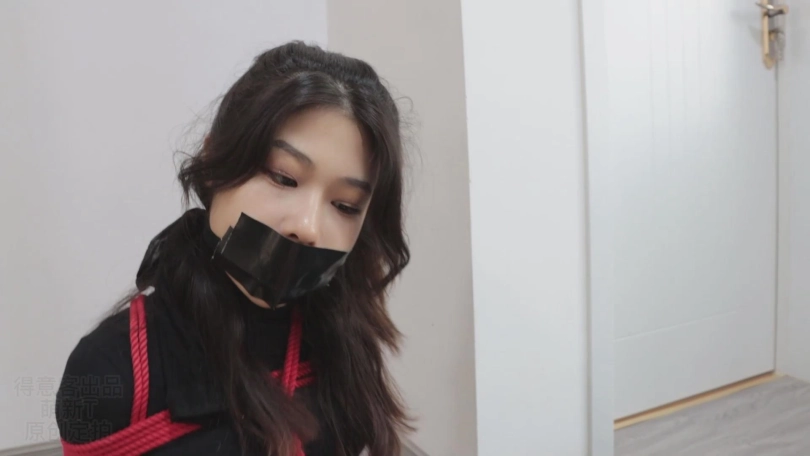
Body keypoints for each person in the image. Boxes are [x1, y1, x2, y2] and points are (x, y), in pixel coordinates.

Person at [55, 41, 412, 456]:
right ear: (214, 160)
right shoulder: (109, 370)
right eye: (283, 178)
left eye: (346, 206)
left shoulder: (342, 339)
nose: (307, 227)